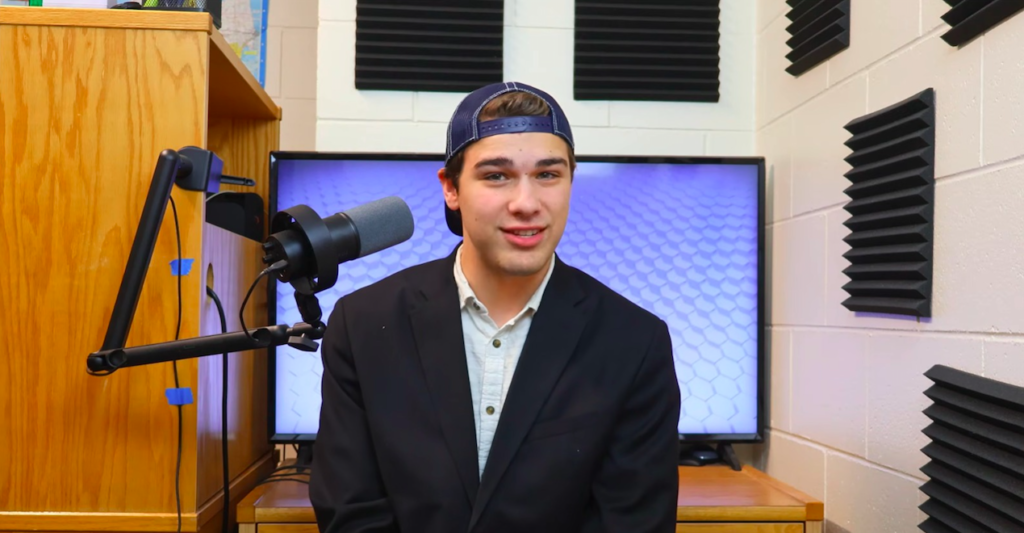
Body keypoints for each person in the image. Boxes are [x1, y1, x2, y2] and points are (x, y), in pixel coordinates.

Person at [309, 81, 681, 533]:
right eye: (496, 175)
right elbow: (351, 514)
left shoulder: (634, 342)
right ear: (451, 188)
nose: (526, 204)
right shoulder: (363, 324)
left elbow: (632, 522)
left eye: (548, 175)